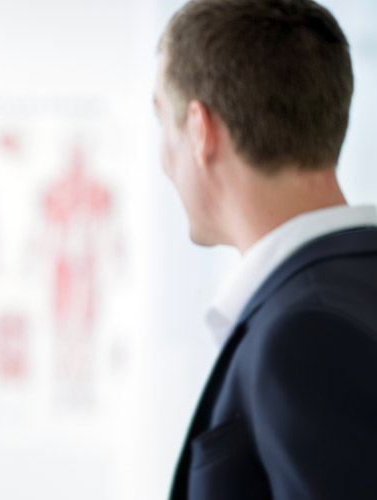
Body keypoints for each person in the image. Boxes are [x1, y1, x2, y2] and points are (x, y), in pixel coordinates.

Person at [154, 1, 377, 498]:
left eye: (161, 121)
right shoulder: (350, 291)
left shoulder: (305, 334)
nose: (162, 161)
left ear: (199, 130)